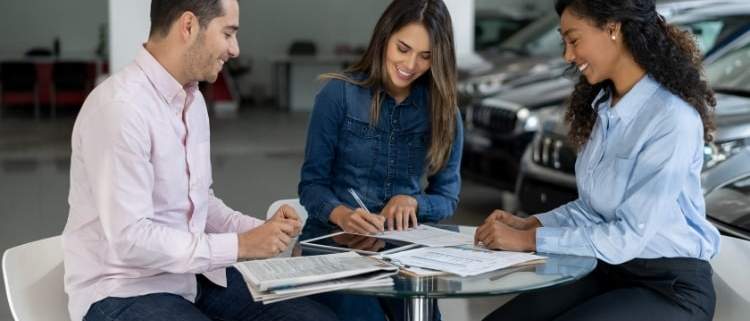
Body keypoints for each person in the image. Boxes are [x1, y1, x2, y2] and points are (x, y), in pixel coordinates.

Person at [62, 1, 337, 321]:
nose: (234, 49)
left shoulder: (191, 101)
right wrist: (241, 246)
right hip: (123, 289)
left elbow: (198, 203)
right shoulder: (120, 109)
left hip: (193, 277)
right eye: (228, 33)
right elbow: (130, 240)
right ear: (189, 26)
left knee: (313, 317)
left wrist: (262, 231)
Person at [475, 0, 720, 320]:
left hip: (671, 287)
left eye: (574, 40)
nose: (567, 55)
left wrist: (527, 240)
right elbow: (593, 210)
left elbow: (627, 236)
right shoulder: (603, 108)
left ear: (613, 28)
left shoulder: (671, 119)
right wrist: (534, 223)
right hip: (608, 269)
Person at [297, 0, 463, 319]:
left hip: (403, 249)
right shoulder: (337, 95)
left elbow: (447, 197)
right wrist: (343, 214)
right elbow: (312, 185)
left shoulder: (445, 112)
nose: (411, 64)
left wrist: (414, 202)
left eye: (425, 56)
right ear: (384, 37)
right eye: (403, 48)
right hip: (333, 242)